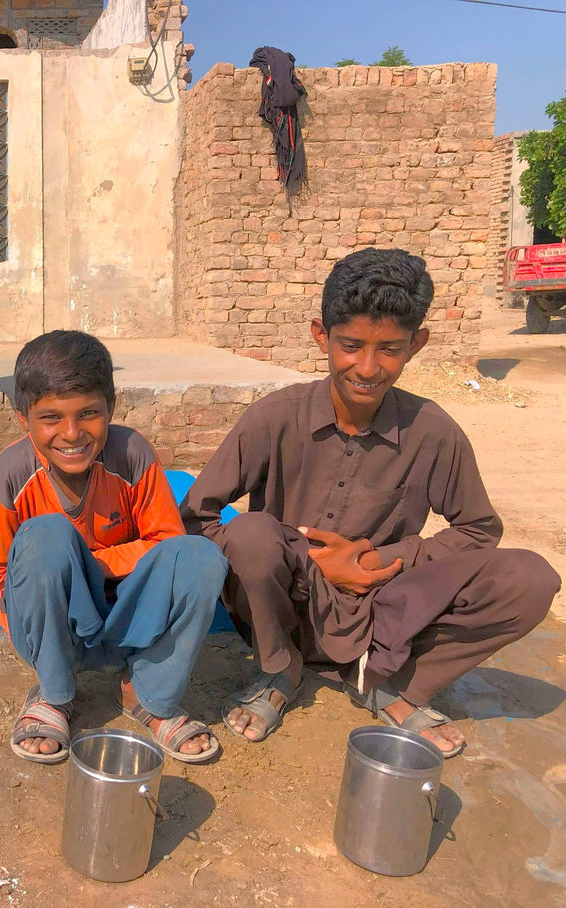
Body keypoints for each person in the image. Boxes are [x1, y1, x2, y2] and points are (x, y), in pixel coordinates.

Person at [180, 248, 560, 758]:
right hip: (285, 603)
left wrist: (379, 559)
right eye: (351, 345)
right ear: (322, 336)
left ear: (416, 344)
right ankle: (279, 670)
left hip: (387, 607)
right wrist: (303, 556)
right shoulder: (275, 417)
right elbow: (194, 516)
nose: (367, 367)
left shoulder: (434, 432)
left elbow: (478, 530)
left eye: (389, 350)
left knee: (531, 578)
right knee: (249, 534)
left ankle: (393, 684)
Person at [0, 330, 228, 765]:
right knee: (47, 537)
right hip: (54, 631)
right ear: (23, 418)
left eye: (89, 413)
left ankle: (148, 693)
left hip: (129, 622)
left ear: (111, 407)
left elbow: (168, 542)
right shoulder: (10, 471)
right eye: (51, 417)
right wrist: (67, 566)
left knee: (201, 557)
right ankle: (54, 695)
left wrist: (89, 566)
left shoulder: (131, 453)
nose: (71, 434)